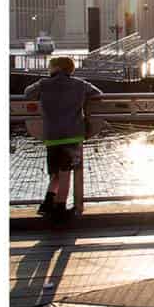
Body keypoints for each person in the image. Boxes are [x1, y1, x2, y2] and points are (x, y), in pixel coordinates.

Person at [23, 57, 102, 221]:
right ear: (70, 70)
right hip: (72, 134)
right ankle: (60, 207)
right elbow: (97, 94)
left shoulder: (43, 84)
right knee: (65, 173)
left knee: (55, 173)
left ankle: (47, 203)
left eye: (50, 67)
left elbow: (28, 93)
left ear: (55, 68)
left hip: (52, 134)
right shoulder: (80, 84)